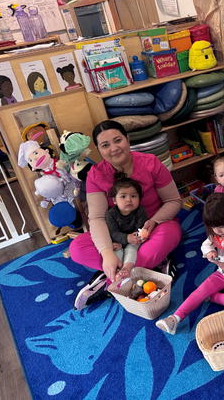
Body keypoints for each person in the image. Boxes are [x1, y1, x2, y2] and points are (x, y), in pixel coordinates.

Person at [70, 120, 182, 306]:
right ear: (99, 150)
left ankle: (110, 281)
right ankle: (138, 270)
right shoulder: (95, 175)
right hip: (117, 236)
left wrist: (154, 221)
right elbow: (97, 218)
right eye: (105, 145)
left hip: (154, 227)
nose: (114, 148)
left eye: (117, 140)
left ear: (127, 140)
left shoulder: (150, 163)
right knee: (77, 248)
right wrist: (107, 253)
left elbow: (173, 201)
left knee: (168, 235)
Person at [156, 193, 224, 334]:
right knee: (200, 290)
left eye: (221, 226)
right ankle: (175, 318)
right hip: (222, 274)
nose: (217, 231)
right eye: (213, 227)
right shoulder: (217, 233)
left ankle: (211, 297)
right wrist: (209, 251)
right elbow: (205, 244)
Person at [106, 177, 149, 281]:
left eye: (133, 196)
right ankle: (116, 274)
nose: (129, 199)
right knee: (116, 251)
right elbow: (113, 233)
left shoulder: (141, 211)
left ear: (139, 198)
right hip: (118, 241)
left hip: (132, 241)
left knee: (132, 248)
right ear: (114, 200)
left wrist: (127, 241)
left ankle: (127, 268)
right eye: (123, 196)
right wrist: (124, 240)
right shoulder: (111, 214)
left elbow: (140, 232)